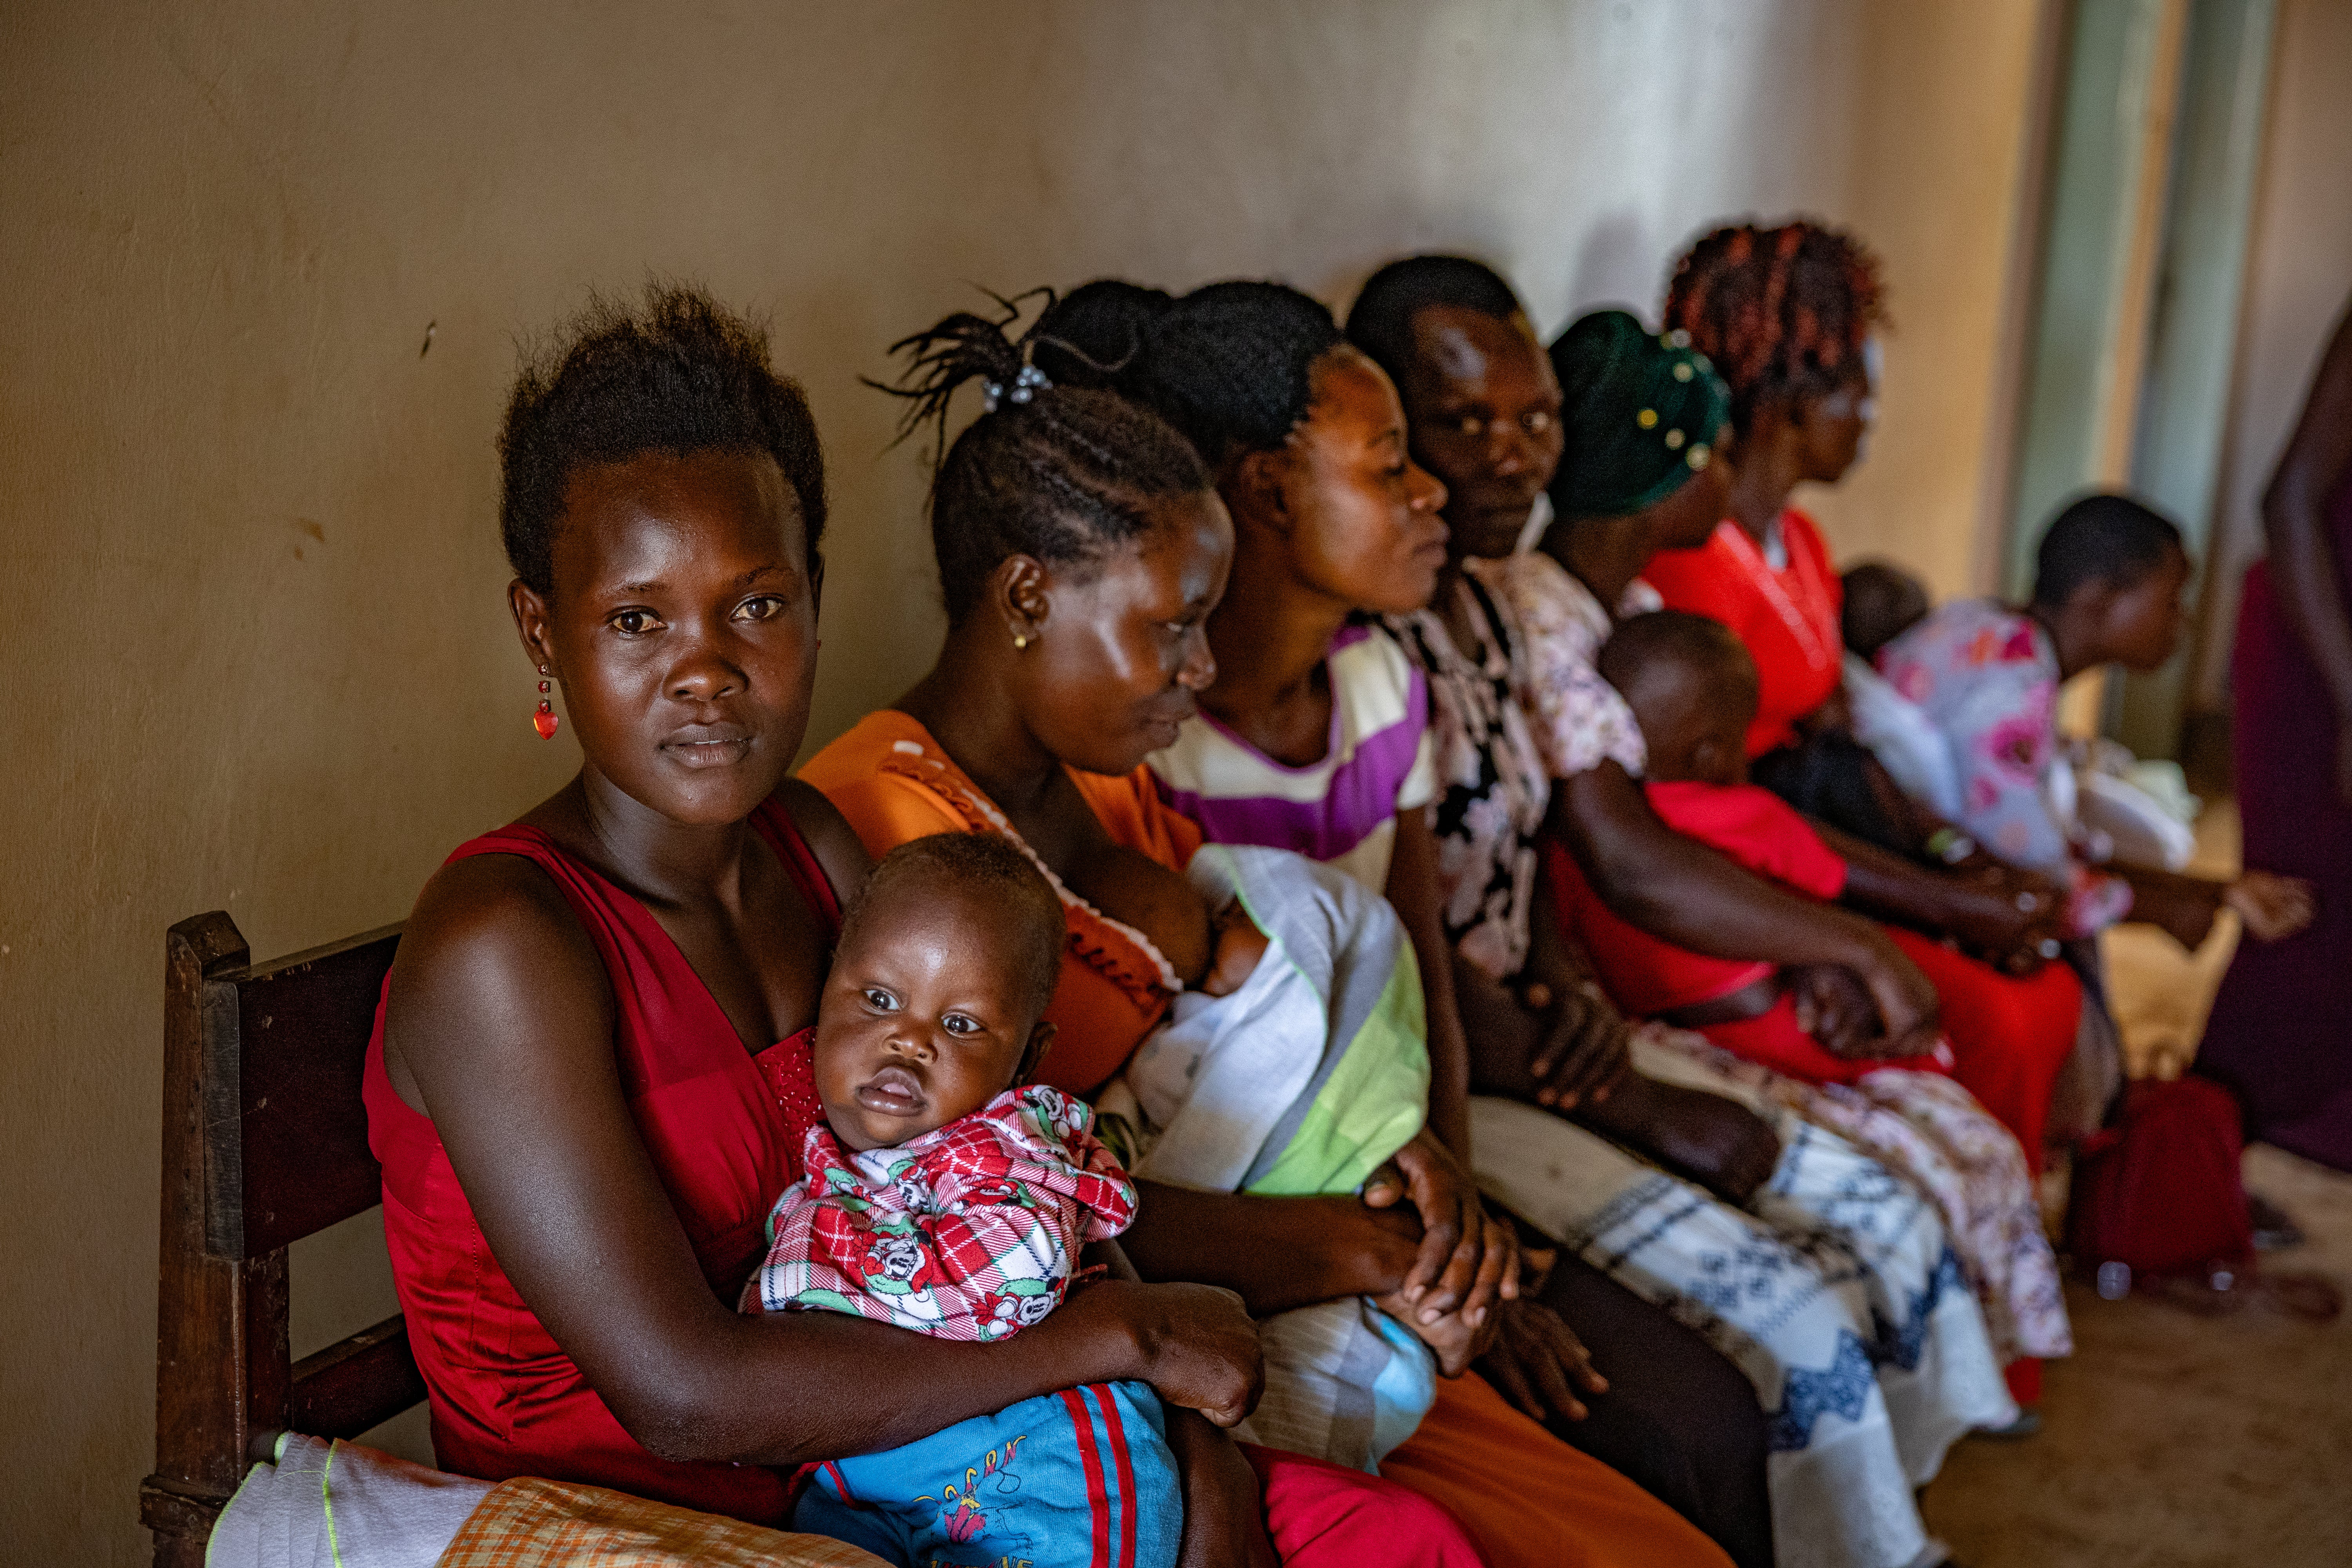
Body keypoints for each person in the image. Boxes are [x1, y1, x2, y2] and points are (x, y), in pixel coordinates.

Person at [360, 285, 1428, 1568]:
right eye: (637, 618)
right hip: (645, 1521)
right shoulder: (505, 943)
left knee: (1378, 1536)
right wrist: (1124, 1344)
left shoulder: (815, 853)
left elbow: (969, 1166)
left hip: (885, 1465)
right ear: (546, 636)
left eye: (754, 605)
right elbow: (682, 1397)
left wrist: (1172, 1405)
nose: (705, 670)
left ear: (814, 598)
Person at [803, 296, 1725, 1568]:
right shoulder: (880, 823)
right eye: (1172, 630)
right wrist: (1366, 1246)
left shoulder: (1105, 784)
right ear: (1026, 596)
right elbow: (962, 1199)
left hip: (1281, 1270)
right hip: (1080, 1385)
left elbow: (1270, 989)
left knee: (1665, 1496)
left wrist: (1415, 1165)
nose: (1196, 676)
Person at [1346, 266, 2024, 1568]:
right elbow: (1438, 923)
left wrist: (1569, 988)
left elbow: (1535, 848)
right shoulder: (1379, 663)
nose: (1509, 462)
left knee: (1854, 1218)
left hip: (1538, 1029)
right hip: (1447, 1075)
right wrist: (1628, 1096)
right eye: (1459, 425)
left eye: (1533, 420)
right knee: (1754, 1348)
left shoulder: (1493, 605)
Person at [1655, 220, 2089, 1173]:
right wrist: (1933, 902)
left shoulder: (1801, 551)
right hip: (1747, 875)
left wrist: (1956, 858)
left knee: (2043, 980)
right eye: (1857, 390)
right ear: (1788, 402)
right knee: (1996, 1017)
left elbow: (1832, 751)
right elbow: (1727, 812)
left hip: (1821, 843)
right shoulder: (1692, 566)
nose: (1870, 416)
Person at [746, 833, 1181, 1568]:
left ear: (1026, 1059)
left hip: (1043, 1473)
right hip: (866, 1479)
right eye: (879, 1000)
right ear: (825, 994)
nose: (906, 1042)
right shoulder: (831, 1159)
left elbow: (1010, 1282)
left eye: (960, 1025)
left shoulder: (1010, 1148)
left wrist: (801, 1300)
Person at [1880, 495, 2313, 958]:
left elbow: (2055, 846)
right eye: (2171, 601)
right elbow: (2037, 879)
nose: (2181, 621)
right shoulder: (2010, 693)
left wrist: (2217, 892)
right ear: (2097, 600)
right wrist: (2170, 912)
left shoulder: (1987, 627)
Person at [2197, 297, 2352, 1171]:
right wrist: (2350, 702)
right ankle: (2218, 1140)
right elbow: (2289, 497)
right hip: (2321, 640)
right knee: (2303, 905)